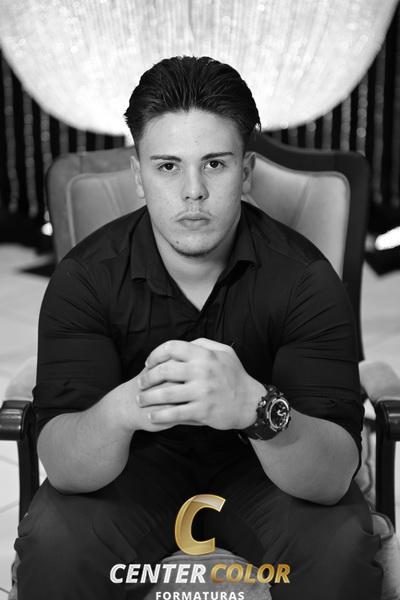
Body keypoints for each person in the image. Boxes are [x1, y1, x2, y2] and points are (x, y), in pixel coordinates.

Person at [14, 55, 382, 599]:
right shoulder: (86, 278)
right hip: (134, 471)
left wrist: (256, 408)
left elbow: (331, 477)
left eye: (214, 164)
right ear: (138, 176)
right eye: (168, 166)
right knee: (56, 548)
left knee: (339, 551)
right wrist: (126, 407)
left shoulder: (305, 279)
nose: (193, 191)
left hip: (265, 473)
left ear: (246, 172)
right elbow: (65, 465)